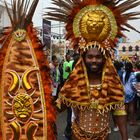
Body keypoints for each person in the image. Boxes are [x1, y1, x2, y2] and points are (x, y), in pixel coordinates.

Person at [47, 0, 140, 139]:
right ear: (83, 58)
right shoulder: (75, 81)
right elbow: (57, 108)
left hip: (103, 137)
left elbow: (120, 113)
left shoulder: (112, 82)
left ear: (104, 59)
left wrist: (124, 138)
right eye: (90, 57)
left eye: (98, 57)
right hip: (78, 136)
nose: (94, 60)